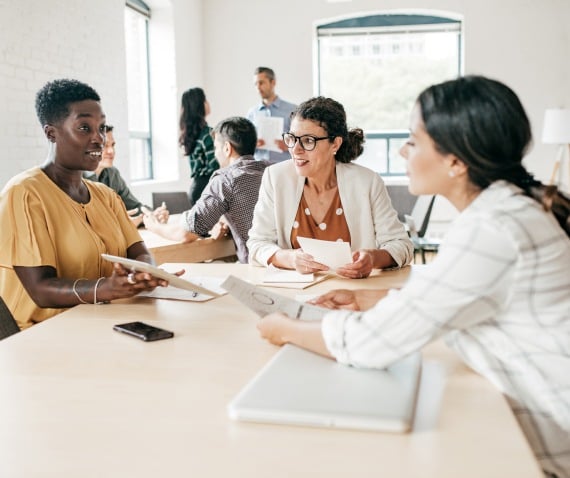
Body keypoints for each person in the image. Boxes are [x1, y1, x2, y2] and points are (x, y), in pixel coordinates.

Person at [257, 76, 570, 478]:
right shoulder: (507, 211)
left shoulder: (492, 230)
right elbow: (447, 293)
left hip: (552, 436)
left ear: (456, 161)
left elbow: (371, 344)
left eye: (414, 140)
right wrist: (372, 299)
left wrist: (282, 327)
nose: (404, 151)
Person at [0, 79, 172, 329]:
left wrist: (146, 274)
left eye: (101, 128)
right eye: (84, 128)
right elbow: (40, 289)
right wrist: (106, 289)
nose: (99, 139)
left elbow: (139, 252)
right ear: (51, 133)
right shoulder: (25, 193)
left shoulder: (106, 196)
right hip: (41, 334)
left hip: (102, 322)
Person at [247, 96, 414, 279]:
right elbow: (257, 243)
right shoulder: (276, 177)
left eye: (308, 141)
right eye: (292, 138)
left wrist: (373, 258)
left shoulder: (367, 182)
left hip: (354, 293)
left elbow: (401, 245)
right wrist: (290, 258)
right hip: (296, 294)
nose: (295, 149)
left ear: (335, 143)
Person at [144, 117, 269, 263]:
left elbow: (185, 234)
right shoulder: (270, 170)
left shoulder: (225, 180)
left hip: (257, 267)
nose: (215, 154)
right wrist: (223, 219)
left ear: (227, 148)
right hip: (286, 263)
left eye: (216, 147)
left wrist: (153, 226)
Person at [83, 124, 169, 227]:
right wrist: (119, 222)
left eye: (113, 145)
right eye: (104, 145)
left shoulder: (112, 173)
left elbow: (134, 207)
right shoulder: (73, 179)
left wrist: (153, 214)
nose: (111, 151)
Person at [247, 66, 296, 163]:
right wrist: (253, 143)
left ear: (273, 82)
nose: (258, 87)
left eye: (261, 83)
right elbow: (245, 144)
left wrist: (289, 145)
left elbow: (302, 139)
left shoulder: (292, 110)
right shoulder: (252, 113)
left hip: (284, 166)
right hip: (259, 170)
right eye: (255, 84)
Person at [180, 87, 219, 205]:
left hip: (196, 189)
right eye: (205, 100)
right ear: (199, 105)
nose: (208, 103)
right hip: (207, 189)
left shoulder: (190, 134)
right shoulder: (208, 134)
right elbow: (216, 167)